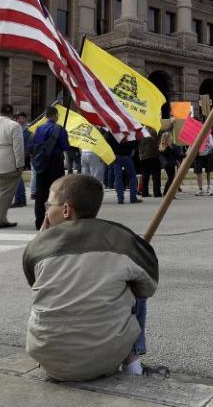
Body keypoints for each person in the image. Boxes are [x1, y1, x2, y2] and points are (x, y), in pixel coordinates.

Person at [24, 174, 158, 381]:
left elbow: (33, 282)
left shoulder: (37, 246)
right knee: (135, 285)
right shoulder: (122, 238)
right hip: (107, 357)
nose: (46, 210)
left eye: (48, 204)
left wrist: (41, 238)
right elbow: (148, 287)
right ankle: (133, 365)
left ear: (66, 210)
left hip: (50, 360)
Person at [29, 106, 71, 229]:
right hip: (55, 163)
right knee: (56, 193)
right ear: (56, 115)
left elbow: (31, 147)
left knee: (40, 193)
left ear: (46, 116)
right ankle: (54, 220)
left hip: (41, 164)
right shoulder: (59, 129)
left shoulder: (38, 129)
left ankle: (39, 222)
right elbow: (66, 147)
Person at [108, 133, 140, 204]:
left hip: (116, 155)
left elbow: (108, 142)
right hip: (126, 155)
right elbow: (135, 143)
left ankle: (120, 198)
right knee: (132, 176)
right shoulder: (127, 130)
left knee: (118, 177)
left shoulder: (112, 131)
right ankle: (133, 197)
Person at [11, 112, 31, 208]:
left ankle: (19, 199)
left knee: (16, 179)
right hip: (14, 156)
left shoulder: (27, 131)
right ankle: (21, 199)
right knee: (18, 179)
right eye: (19, 118)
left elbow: (27, 147)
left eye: (23, 118)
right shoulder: (15, 129)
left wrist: (22, 158)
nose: (21, 120)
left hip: (20, 157)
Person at [137, 127, 162, 198]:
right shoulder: (154, 131)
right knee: (156, 176)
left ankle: (144, 192)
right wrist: (171, 125)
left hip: (143, 157)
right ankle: (157, 192)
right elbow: (161, 135)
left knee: (145, 176)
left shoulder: (140, 132)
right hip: (154, 156)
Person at [193, 130, 213, 196]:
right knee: (198, 172)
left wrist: (206, 141)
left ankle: (209, 188)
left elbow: (212, 146)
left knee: (208, 172)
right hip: (198, 155)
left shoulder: (209, 135)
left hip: (208, 155)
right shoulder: (196, 136)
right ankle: (200, 189)